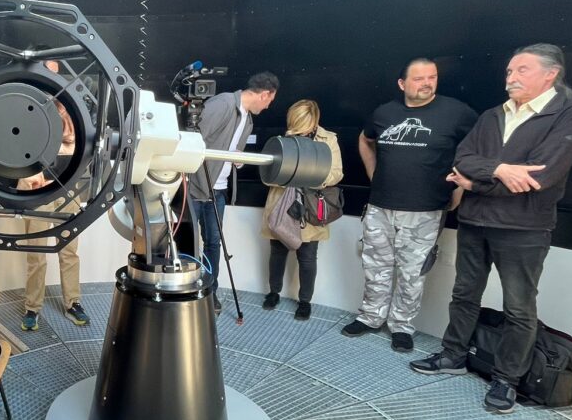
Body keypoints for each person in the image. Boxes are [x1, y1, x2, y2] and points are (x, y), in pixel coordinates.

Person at [410, 44, 572, 413]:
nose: (511, 78)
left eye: (522, 70)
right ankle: (453, 355)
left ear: (551, 74)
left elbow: (540, 176)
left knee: (519, 307)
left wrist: (476, 184)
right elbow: (462, 158)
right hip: (475, 221)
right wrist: (500, 169)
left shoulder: (570, 114)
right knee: (464, 294)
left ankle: (506, 380)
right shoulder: (493, 115)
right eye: (509, 71)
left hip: (524, 228)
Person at [341, 59, 477, 351]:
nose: (427, 83)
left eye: (432, 77)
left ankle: (401, 326)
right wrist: (373, 174)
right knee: (375, 265)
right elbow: (365, 140)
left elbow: (478, 148)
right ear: (402, 84)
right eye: (418, 78)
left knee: (412, 273)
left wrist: (460, 187)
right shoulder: (384, 113)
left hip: (426, 209)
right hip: (380, 206)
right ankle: (370, 317)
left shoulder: (456, 113)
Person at [187, 72, 280, 314]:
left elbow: (232, 150)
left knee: (213, 243)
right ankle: (186, 292)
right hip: (195, 187)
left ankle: (210, 292)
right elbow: (193, 139)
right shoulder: (223, 103)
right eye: (270, 101)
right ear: (265, 94)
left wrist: (238, 159)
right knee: (187, 242)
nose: (268, 107)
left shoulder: (248, 120)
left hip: (218, 190)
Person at [21, 58, 89, 331]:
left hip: (67, 187)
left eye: (55, 73)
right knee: (36, 254)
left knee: (69, 251)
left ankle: (73, 303)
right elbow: (16, 145)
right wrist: (29, 175)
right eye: (47, 72)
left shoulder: (71, 105)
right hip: (37, 188)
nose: (52, 78)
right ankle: (32, 308)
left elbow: (78, 144)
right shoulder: (24, 102)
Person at [260, 100, 343, 319]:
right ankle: (273, 292)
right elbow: (267, 175)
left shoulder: (328, 139)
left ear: (314, 121)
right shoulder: (281, 141)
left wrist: (311, 177)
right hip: (281, 203)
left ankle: (305, 301)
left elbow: (337, 173)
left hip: (311, 204)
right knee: (277, 252)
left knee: (307, 256)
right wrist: (285, 176)